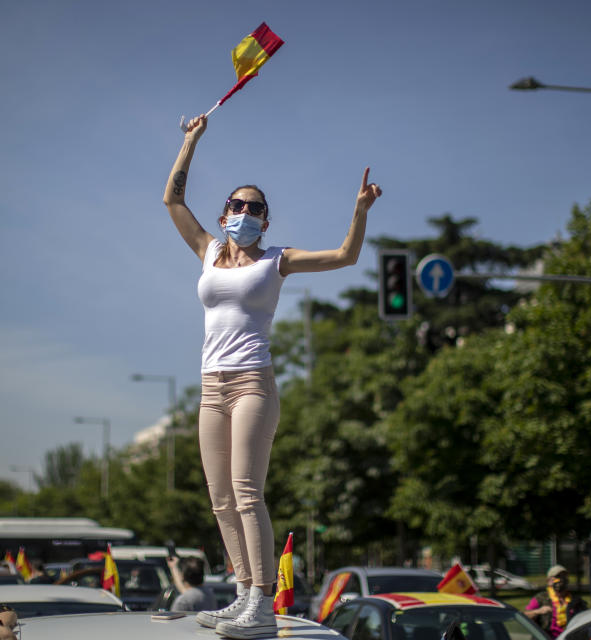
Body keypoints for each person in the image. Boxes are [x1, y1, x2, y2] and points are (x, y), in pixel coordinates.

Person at [164, 114, 381, 639]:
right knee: (219, 498)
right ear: (223, 216)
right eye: (237, 205)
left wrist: (359, 210)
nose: (245, 212)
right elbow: (172, 200)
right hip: (211, 386)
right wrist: (190, 143)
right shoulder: (210, 252)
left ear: (265, 220)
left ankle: (261, 601)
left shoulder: (277, 260)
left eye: (255, 208)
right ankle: (242, 593)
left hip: (252, 384)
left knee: (245, 491)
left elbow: (347, 256)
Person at [523, 565, 587, 638]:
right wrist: (538, 611)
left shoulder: (575, 600)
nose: (561, 579)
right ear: (548, 581)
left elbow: (586, 616)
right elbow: (524, 616)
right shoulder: (541, 598)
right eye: (557, 576)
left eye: (564, 576)